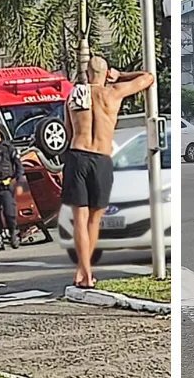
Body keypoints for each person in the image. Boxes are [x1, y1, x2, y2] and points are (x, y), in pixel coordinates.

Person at [62, 56, 154, 289]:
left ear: (86, 72)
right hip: (101, 158)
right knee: (95, 219)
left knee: (80, 220)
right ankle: (85, 272)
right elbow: (148, 78)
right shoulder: (113, 93)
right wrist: (121, 75)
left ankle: (84, 270)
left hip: (77, 154)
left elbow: (67, 129)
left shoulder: (73, 95)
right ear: (105, 74)